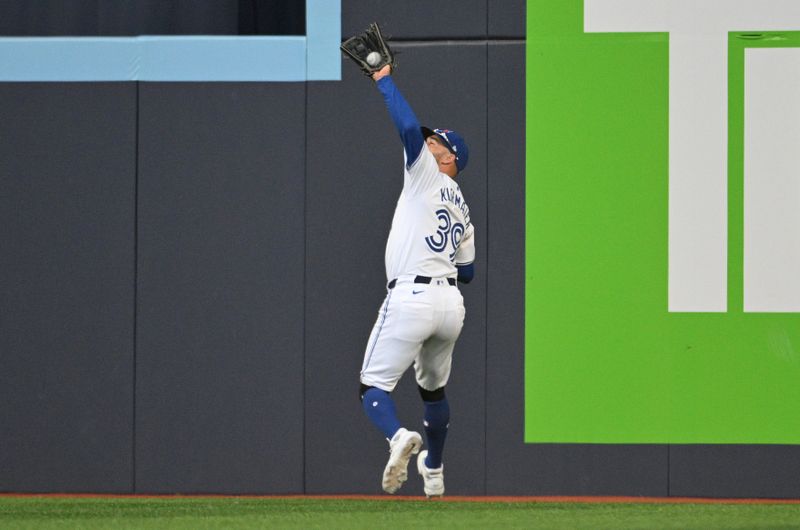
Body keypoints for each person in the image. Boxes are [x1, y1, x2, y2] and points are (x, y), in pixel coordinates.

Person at [358, 63, 475, 498]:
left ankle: (398, 437)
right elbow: (469, 272)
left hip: (412, 295)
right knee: (433, 390)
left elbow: (406, 125)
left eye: (435, 144)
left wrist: (382, 78)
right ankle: (436, 469)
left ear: (448, 160)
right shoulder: (463, 207)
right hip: (450, 305)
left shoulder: (426, 172)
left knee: (372, 385)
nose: (427, 143)